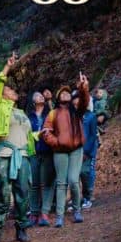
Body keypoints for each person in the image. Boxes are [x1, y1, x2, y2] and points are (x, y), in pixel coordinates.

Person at [0, 54, 34, 242]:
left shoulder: (21, 113)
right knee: (2, 194)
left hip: (22, 156)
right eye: (9, 89)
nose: (13, 91)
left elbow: (27, 136)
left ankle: (22, 229)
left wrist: (41, 135)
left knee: (23, 193)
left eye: (12, 90)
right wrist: (7, 67)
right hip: (4, 156)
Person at [43, 74, 90, 226]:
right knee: (61, 183)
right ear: (58, 98)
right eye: (62, 93)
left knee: (73, 181)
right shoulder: (53, 113)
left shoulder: (76, 111)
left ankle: (76, 211)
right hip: (60, 151)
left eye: (68, 92)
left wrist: (83, 87)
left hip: (76, 149)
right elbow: (46, 132)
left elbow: (85, 101)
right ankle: (59, 216)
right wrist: (56, 142)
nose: (65, 94)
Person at [27, 92, 53, 227]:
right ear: (33, 101)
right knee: (34, 184)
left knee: (47, 183)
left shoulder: (51, 114)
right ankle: (34, 212)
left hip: (48, 151)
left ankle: (45, 213)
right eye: (37, 96)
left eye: (41, 96)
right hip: (33, 152)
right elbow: (25, 134)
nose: (41, 96)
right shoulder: (28, 117)